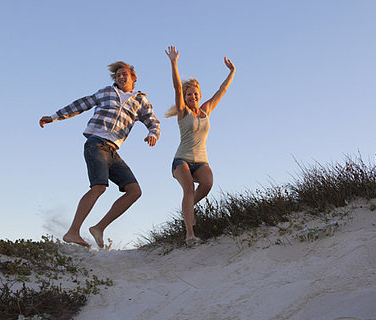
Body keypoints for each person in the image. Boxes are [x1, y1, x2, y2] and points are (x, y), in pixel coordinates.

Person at [39, 61, 160, 248]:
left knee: (134, 191)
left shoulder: (140, 100)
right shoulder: (106, 92)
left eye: (124, 74)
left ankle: (98, 228)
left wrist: (152, 134)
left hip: (113, 150)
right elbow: (82, 104)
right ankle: (73, 232)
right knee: (99, 187)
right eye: (117, 75)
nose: (120, 77)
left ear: (133, 78)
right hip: (96, 143)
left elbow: (153, 122)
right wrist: (55, 116)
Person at [164, 45, 235, 245]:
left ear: (200, 95)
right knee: (188, 190)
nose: (192, 97)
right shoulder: (182, 112)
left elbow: (222, 91)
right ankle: (189, 234)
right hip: (181, 161)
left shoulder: (206, 110)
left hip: (202, 161)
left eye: (195, 94)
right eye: (189, 95)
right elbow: (177, 87)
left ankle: (187, 209)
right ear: (185, 97)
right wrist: (174, 63)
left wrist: (232, 72)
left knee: (208, 184)